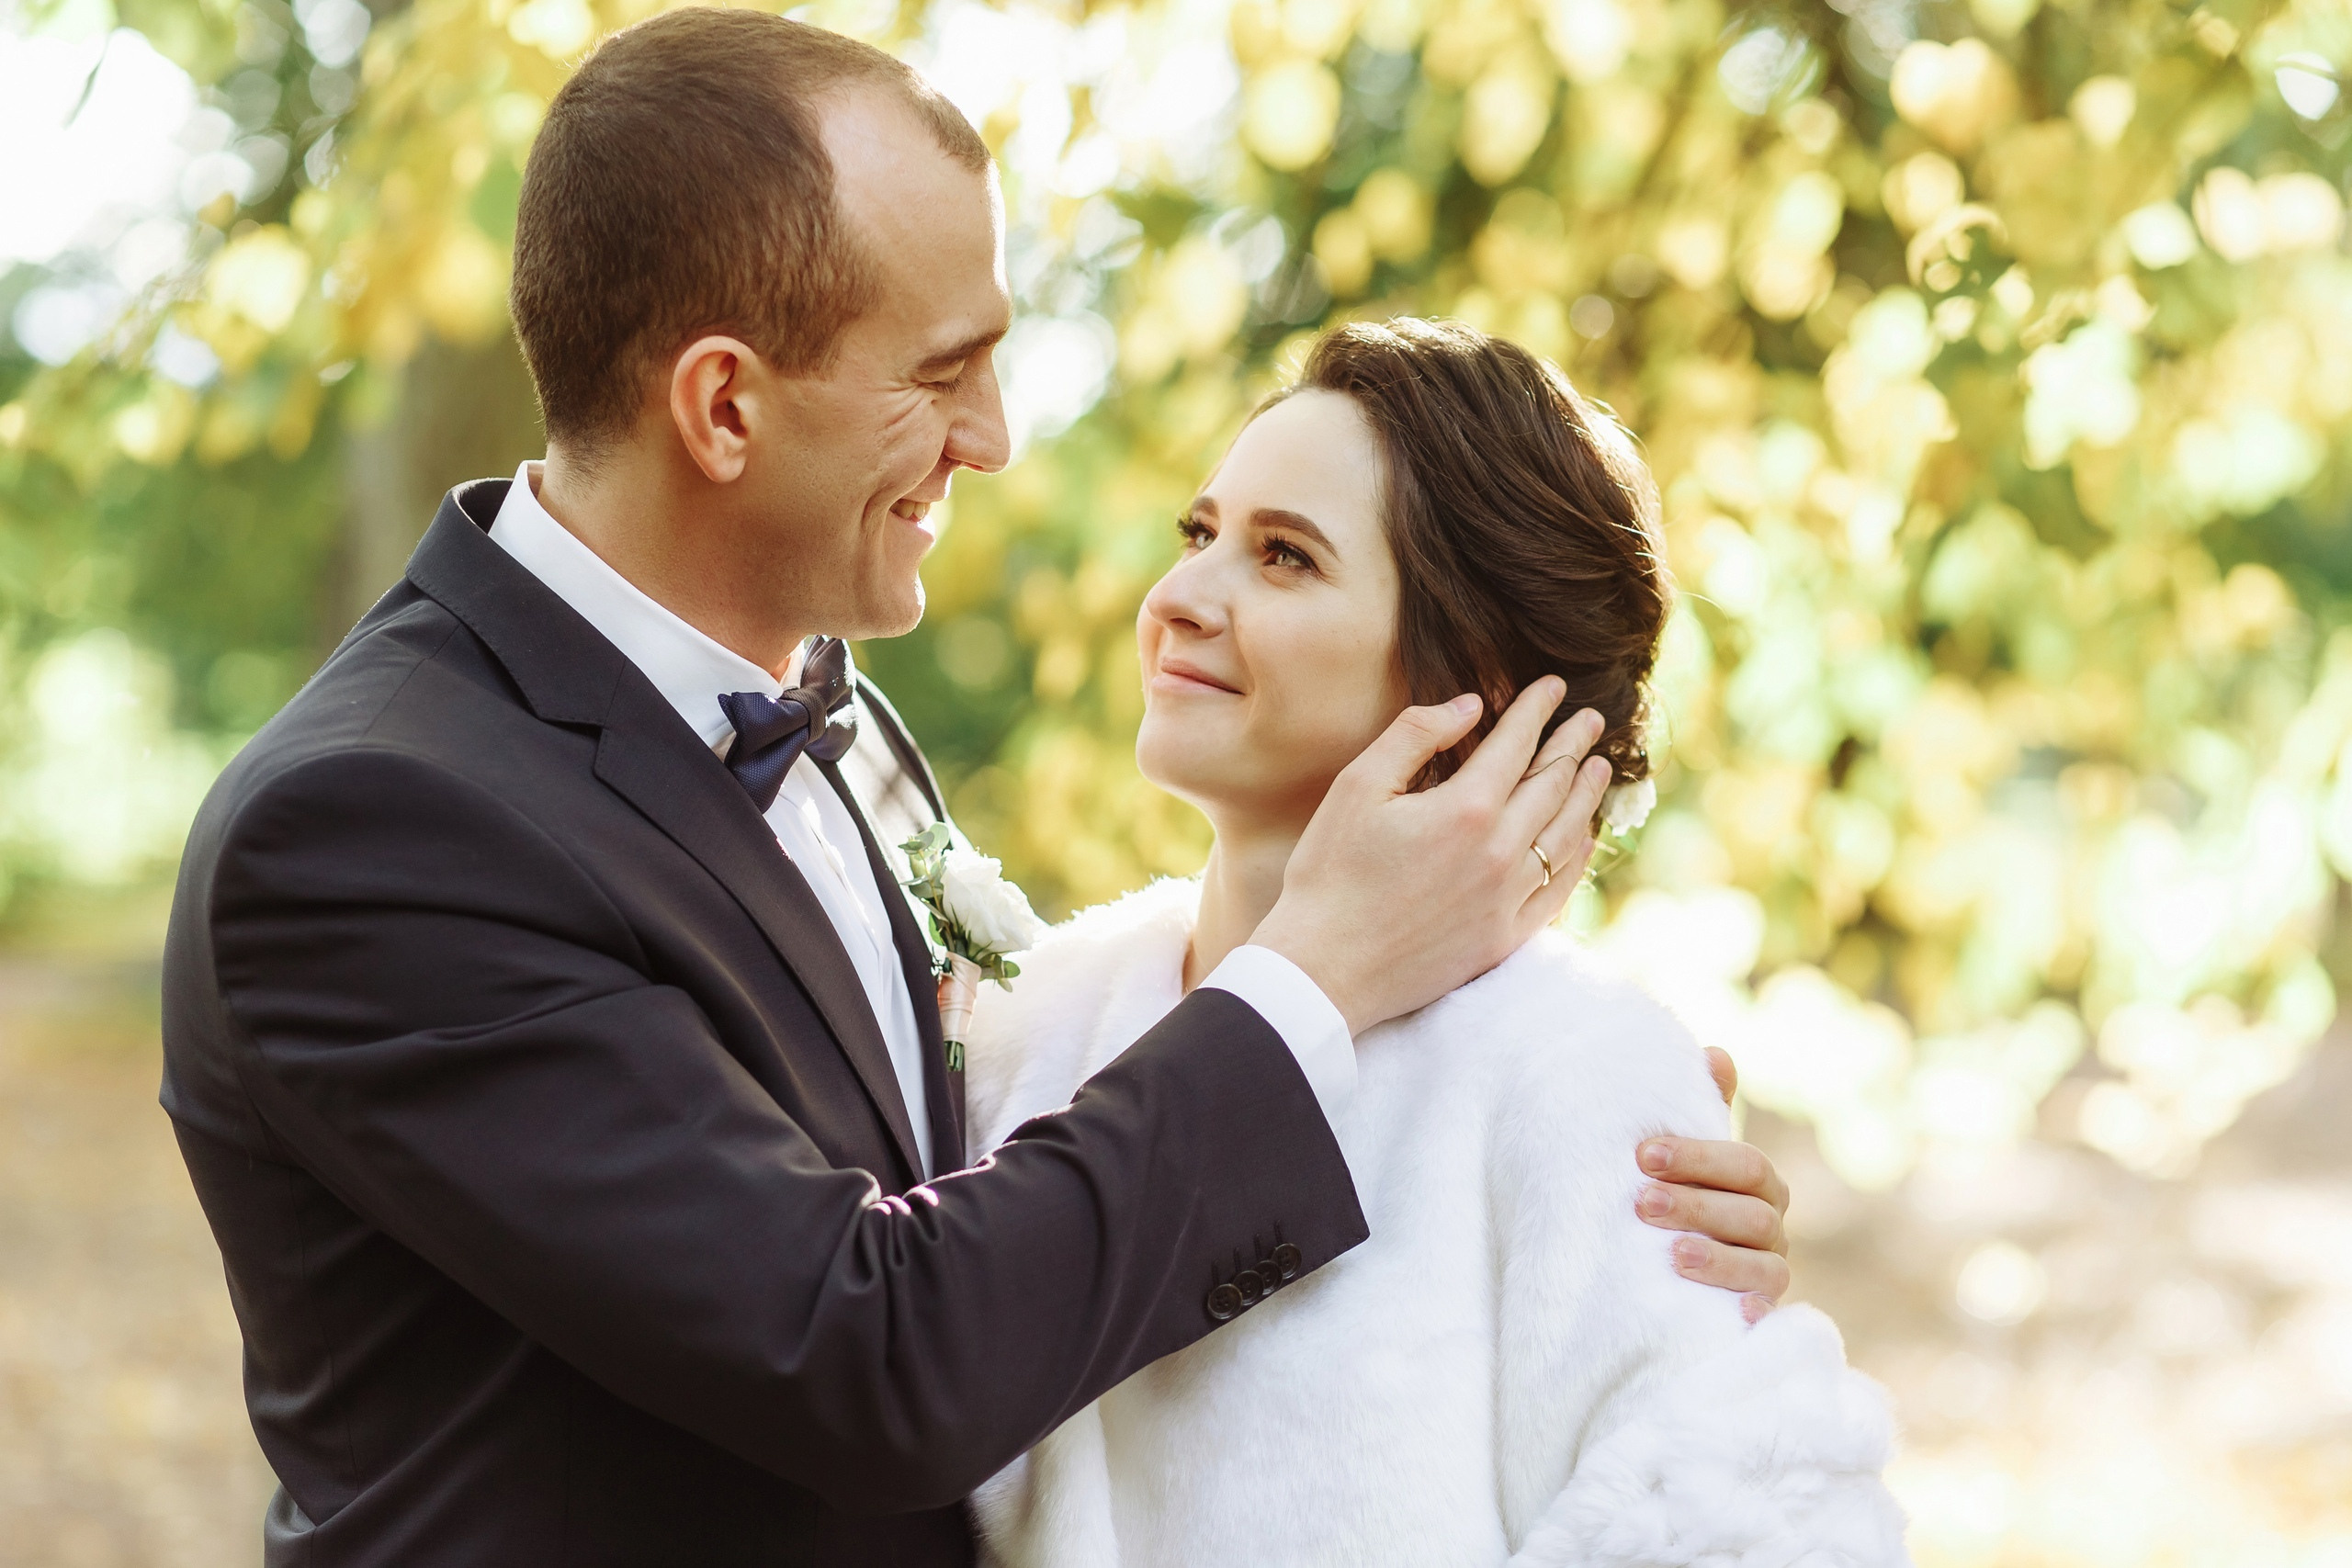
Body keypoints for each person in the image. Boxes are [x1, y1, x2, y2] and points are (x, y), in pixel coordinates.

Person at [157, 12, 1794, 1566]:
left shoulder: (827, 721)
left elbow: (1018, 1200)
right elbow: (875, 1347)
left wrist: (1571, 1144)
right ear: (724, 405)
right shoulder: (376, 828)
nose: (998, 435)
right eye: (943, 372)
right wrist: (1328, 972)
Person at [965, 320, 1906, 1566]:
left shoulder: (1579, 1072)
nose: (1181, 599)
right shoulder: (1040, 1020)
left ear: (1468, 674)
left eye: (1284, 558)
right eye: (1200, 536)